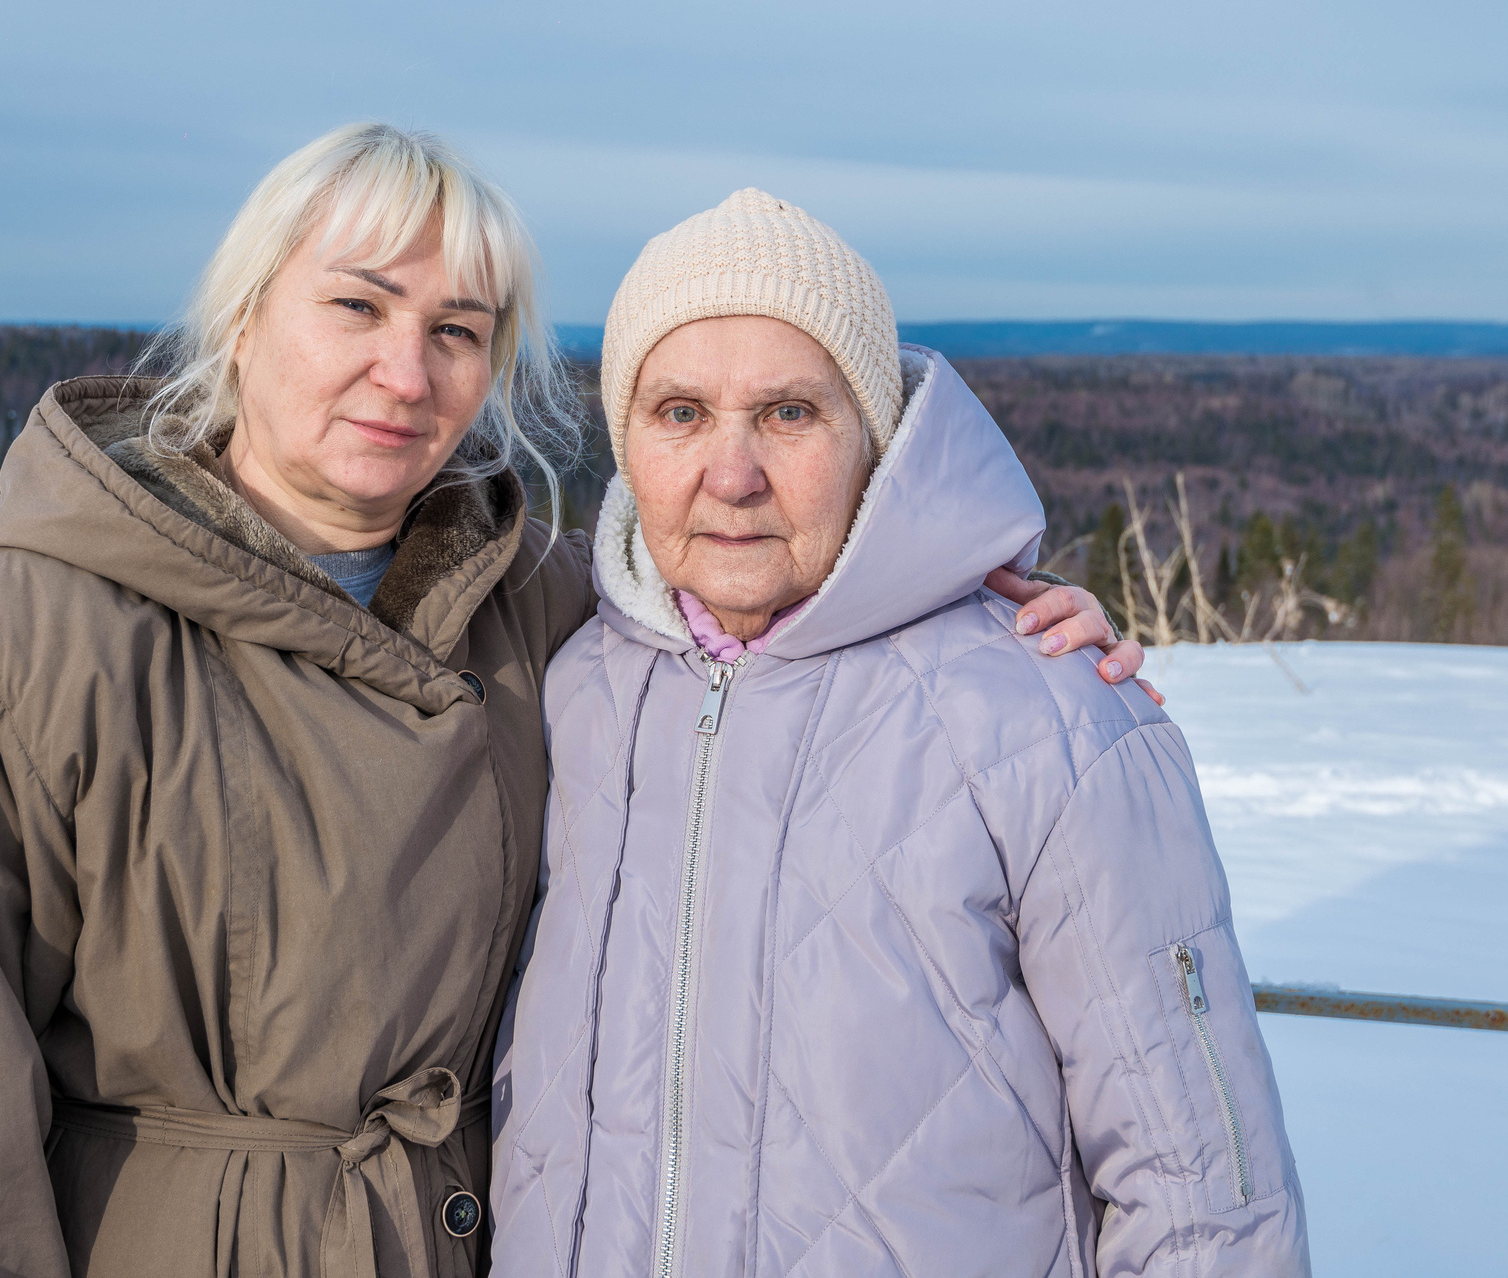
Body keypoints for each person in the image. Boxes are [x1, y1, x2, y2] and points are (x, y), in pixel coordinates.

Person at [0, 127, 1143, 1278]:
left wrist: (971, 606)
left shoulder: (533, 612)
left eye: (456, 329)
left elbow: (760, 648)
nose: (405, 372)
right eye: (355, 305)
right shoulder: (24, 644)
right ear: (245, 319)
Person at [491, 189, 1308, 1277]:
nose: (730, 475)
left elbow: (1205, 1195)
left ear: (874, 438)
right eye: (679, 411)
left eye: (789, 412)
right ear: (625, 438)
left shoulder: (1049, 711)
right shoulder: (563, 680)